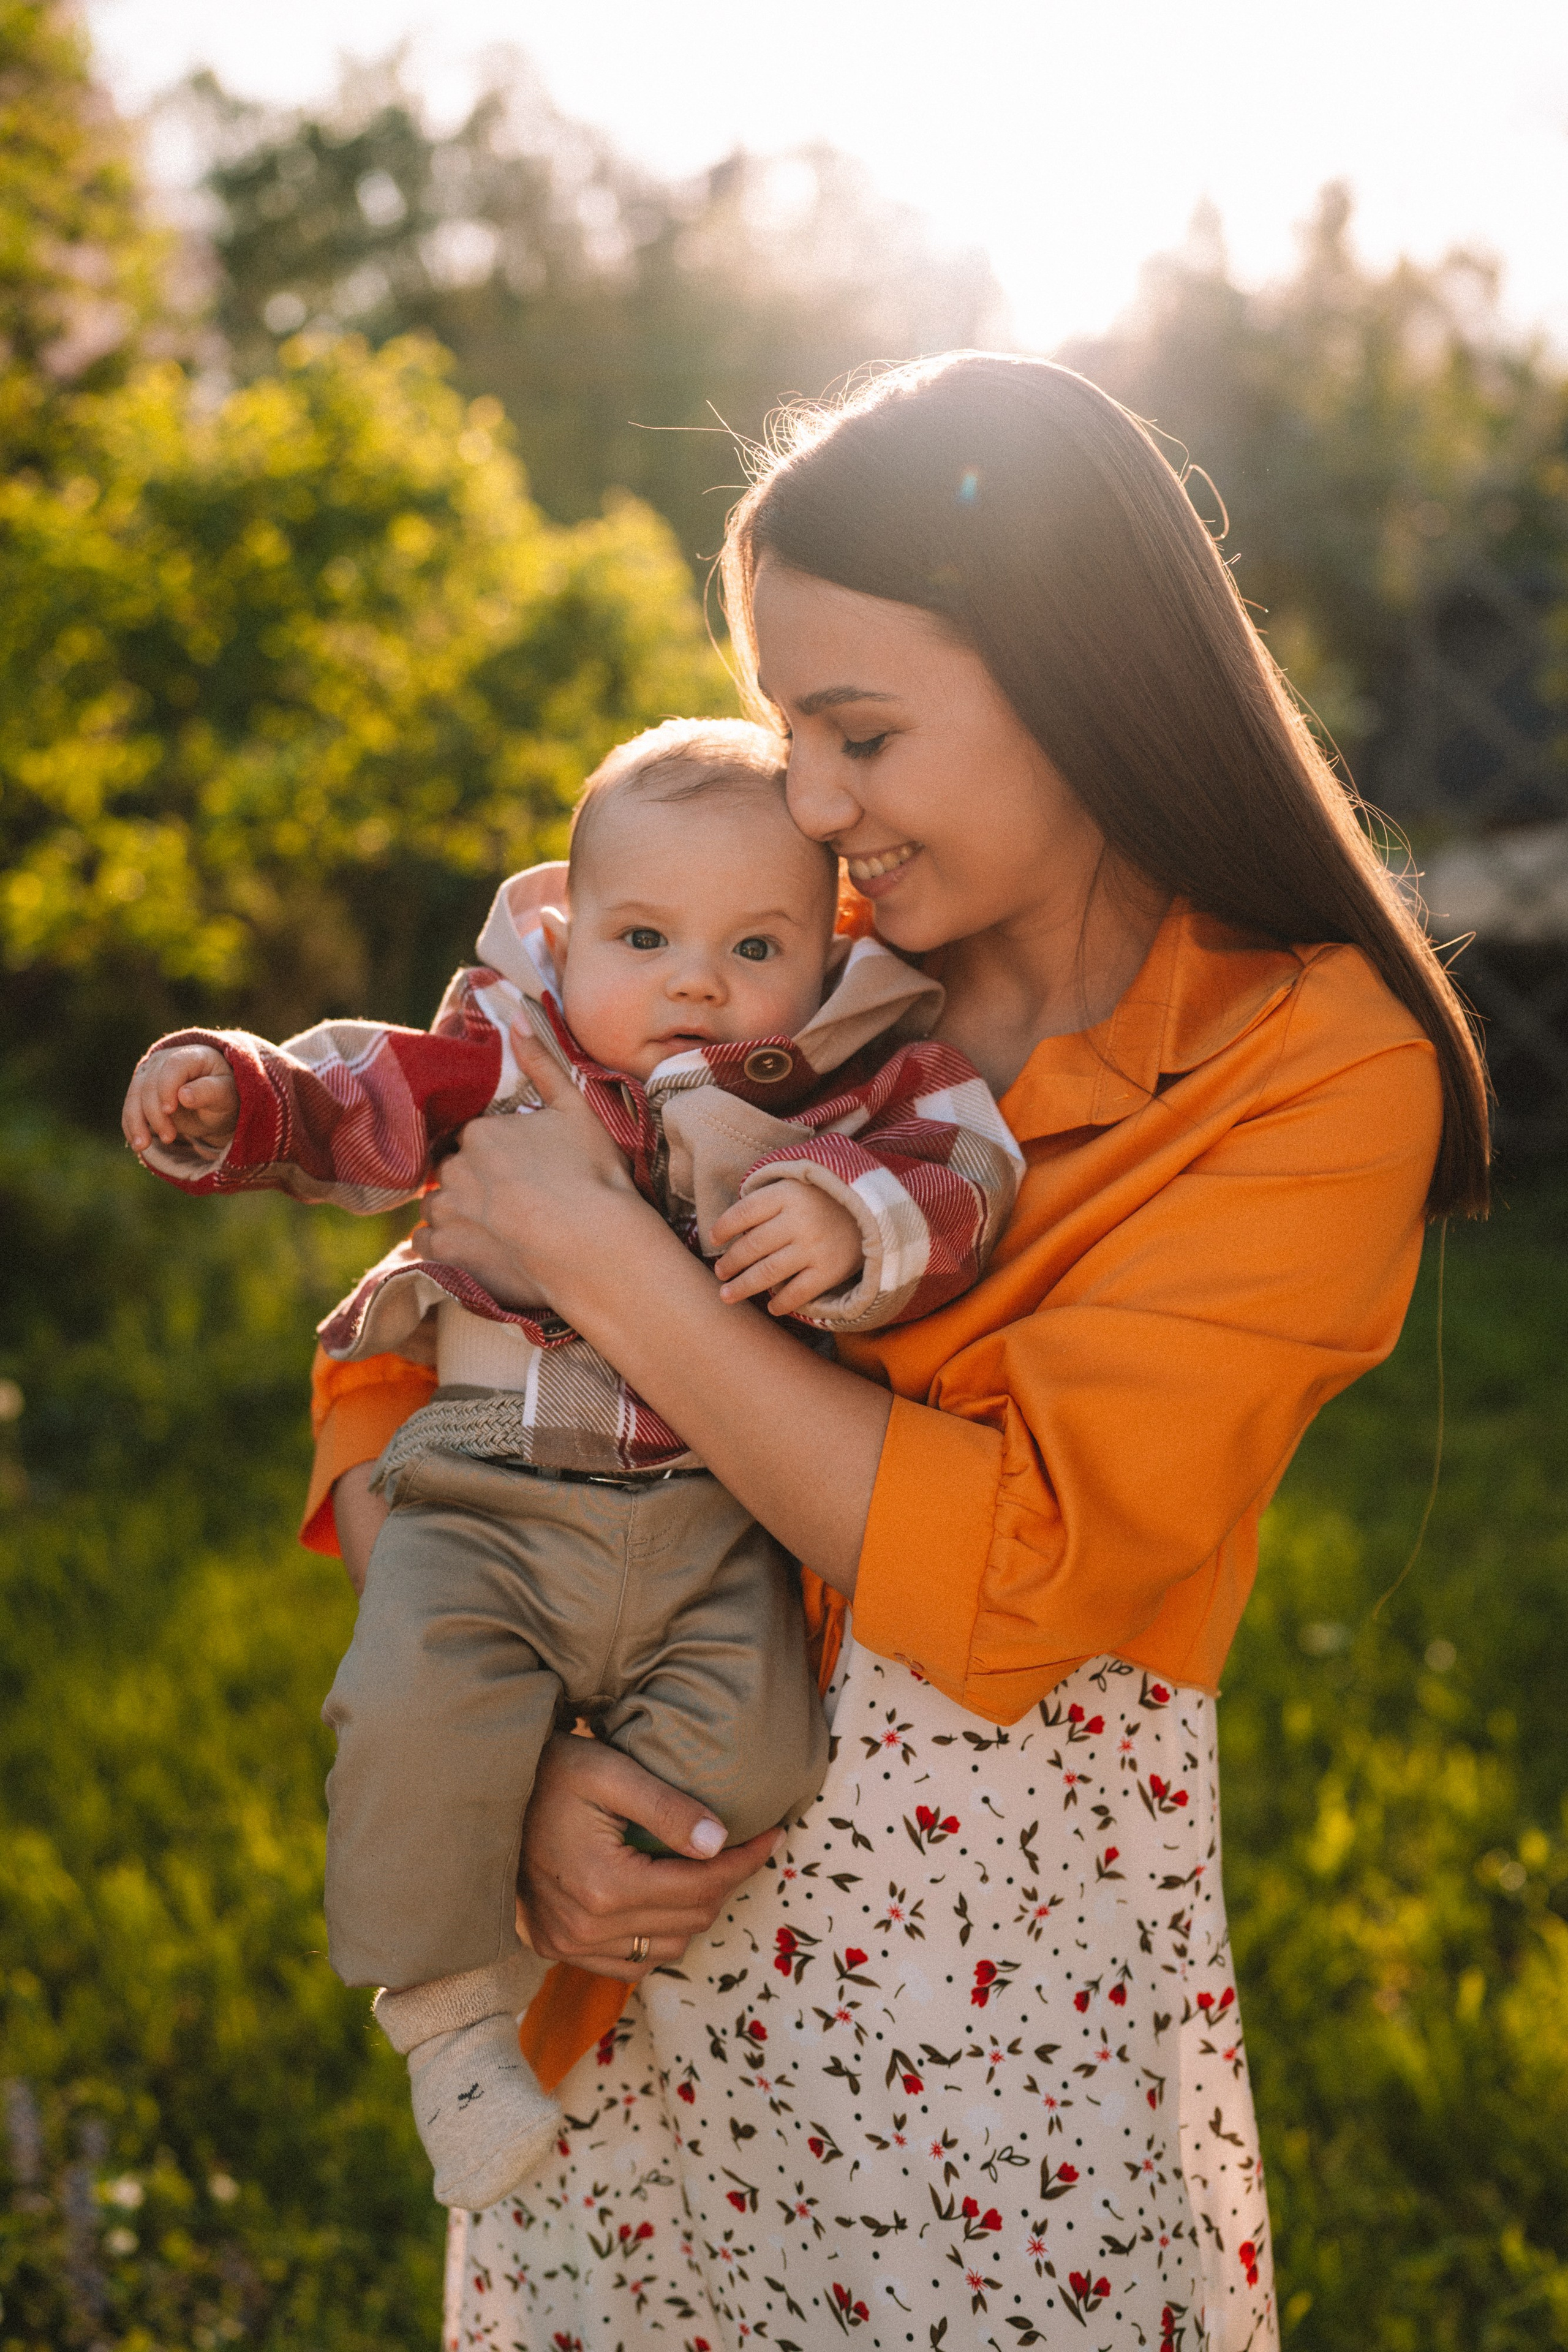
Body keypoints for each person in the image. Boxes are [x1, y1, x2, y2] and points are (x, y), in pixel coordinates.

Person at [309, 355, 1487, 2350]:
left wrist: (609, 1257)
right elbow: (413, 1346)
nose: (815, 801)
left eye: (862, 732)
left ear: (1086, 677)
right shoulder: (755, 953)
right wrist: (514, 1783)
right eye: (791, 730)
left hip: (983, 2010)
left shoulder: (1317, 1067)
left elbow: (1026, 1562)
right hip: (626, 1940)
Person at [122, 717, 1022, 2215]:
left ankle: (567, 1842)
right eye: (644, 938)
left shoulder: (848, 1075)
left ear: (826, 951)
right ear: (567, 930)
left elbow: (967, 1167)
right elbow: (358, 1097)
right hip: (494, 1487)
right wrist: (235, 1087)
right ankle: (447, 2019)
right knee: (414, 1703)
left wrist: (851, 1212)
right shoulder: (509, 1052)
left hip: (716, 1519)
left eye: (754, 946)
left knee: (761, 1755)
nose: (695, 983)